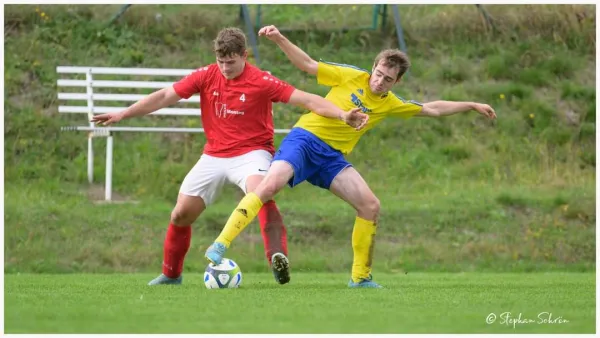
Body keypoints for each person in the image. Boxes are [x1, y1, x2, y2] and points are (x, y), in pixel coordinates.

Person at [203, 25, 497, 288]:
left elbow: (432, 108)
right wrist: (280, 38)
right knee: (268, 187)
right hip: (305, 140)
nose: (380, 81)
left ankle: (360, 277)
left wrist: (471, 104)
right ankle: (220, 244)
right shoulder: (349, 76)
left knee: (370, 206)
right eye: (379, 74)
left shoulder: (390, 103)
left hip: (332, 158)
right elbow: (306, 64)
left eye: (388, 79)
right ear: (373, 67)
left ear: (396, 82)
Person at [91, 27, 368, 286]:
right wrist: (123, 113)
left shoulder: (261, 80)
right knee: (180, 214)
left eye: (231, 62)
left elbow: (308, 99)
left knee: (260, 192)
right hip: (213, 155)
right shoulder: (205, 75)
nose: (225, 68)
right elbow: (165, 95)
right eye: (221, 61)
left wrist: (343, 114)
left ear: (244, 56)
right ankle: (171, 275)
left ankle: (276, 256)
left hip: (252, 152)